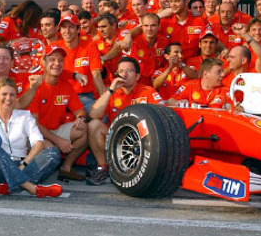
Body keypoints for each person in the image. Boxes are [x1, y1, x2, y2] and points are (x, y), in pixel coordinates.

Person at [0, 77, 62, 197]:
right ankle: (30, 187)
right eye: (4, 94)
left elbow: (38, 144)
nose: (8, 98)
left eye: (12, 95)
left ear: (16, 97)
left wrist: (23, 165)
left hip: (22, 164)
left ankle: (7, 187)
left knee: (53, 153)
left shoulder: (25, 116)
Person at [87, 57, 165, 185]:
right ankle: (103, 170)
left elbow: (163, 116)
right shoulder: (112, 93)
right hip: (117, 139)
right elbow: (94, 114)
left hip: (143, 142)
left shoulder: (148, 91)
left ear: (137, 76)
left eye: (129, 71)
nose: (124, 74)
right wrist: (111, 90)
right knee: (94, 125)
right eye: (121, 71)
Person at [23, 46, 90, 181]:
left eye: (60, 60)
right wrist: (59, 141)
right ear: (44, 62)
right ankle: (25, 178)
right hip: (35, 134)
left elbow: (80, 111)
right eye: (52, 60)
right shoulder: (35, 85)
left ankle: (66, 168)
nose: (57, 64)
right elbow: (33, 124)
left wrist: (81, 118)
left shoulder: (65, 85)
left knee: (85, 129)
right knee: (51, 152)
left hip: (54, 130)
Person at [169, 58, 234, 110]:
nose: (223, 74)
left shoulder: (225, 90)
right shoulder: (190, 86)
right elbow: (170, 101)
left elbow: (229, 108)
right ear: (206, 74)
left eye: (222, 71)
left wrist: (229, 108)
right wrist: (178, 103)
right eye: (219, 72)